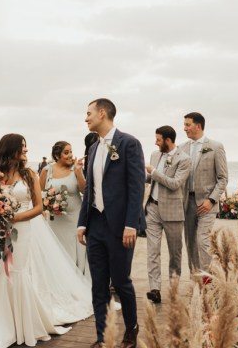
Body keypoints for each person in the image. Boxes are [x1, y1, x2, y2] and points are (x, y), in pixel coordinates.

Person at [0, 134, 92, 348]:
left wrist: (14, 218)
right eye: (21, 147)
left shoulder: (29, 173)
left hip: (21, 230)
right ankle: (1, 326)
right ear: (9, 148)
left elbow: (39, 207)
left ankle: (22, 327)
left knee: (17, 273)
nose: (26, 150)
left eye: (25, 147)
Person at [77, 98, 145, 348]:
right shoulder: (93, 148)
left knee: (121, 281)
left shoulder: (129, 143)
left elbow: (136, 188)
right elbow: (91, 190)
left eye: (88, 113)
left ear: (102, 113)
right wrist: (82, 223)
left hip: (120, 227)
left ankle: (131, 330)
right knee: (98, 285)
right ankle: (102, 337)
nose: (85, 118)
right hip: (96, 226)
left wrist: (131, 224)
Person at [144, 125, 190, 304]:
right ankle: (154, 289)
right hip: (152, 209)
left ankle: (173, 286)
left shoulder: (184, 159)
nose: (156, 143)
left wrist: (153, 172)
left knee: (175, 253)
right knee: (152, 251)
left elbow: (175, 183)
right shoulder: (155, 155)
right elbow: (150, 179)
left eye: (158, 140)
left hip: (173, 212)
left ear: (168, 140)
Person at [178, 113, 228, 273]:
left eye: (187, 125)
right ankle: (195, 278)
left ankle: (207, 278)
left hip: (207, 204)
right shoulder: (182, 148)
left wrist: (211, 200)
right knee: (190, 243)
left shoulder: (215, 147)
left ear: (198, 126)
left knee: (202, 241)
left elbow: (223, 178)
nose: (184, 128)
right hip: (187, 203)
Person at [39, 141, 88, 274]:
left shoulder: (75, 168)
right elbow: (39, 195)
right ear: (57, 155)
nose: (70, 155)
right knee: (57, 250)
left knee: (74, 248)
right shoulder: (46, 170)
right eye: (66, 152)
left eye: (71, 152)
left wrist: (79, 172)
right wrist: (48, 205)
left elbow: (84, 191)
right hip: (55, 221)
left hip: (75, 218)